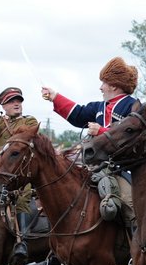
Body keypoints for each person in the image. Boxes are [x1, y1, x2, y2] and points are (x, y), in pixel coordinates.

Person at [41, 57, 139, 237]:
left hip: (121, 168)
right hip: (94, 167)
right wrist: (55, 96)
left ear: (114, 85)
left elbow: (131, 136)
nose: (101, 87)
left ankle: (138, 253)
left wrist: (101, 131)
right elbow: (77, 114)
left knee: (129, 202)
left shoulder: (133, 105)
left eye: (104, 83)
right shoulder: (98, 106)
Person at [0, 87, 39, 264]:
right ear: (3, 105)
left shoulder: (29, 121)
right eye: (12, 101)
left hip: (19, 172)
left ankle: (22, 242)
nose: (17, 104)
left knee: (23, 198)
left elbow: (26, 138)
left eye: (19, 100)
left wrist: (1, 151)